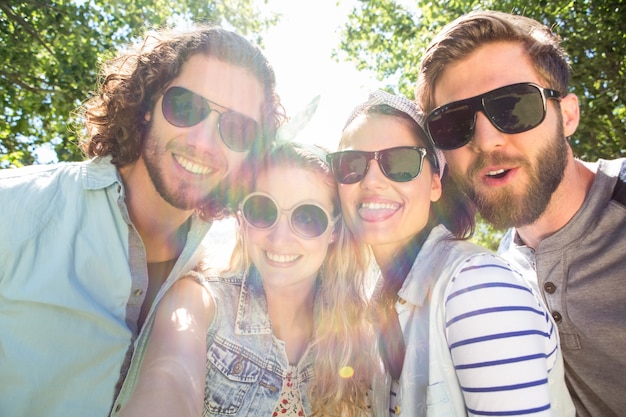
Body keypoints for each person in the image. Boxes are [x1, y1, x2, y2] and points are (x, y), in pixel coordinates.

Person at [0, 25, 285, 417]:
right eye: (186, 107)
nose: (204, 142)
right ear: (148, 104)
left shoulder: (225, 269)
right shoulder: (13, 208)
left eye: (237, 129)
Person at [415, 10, 626, 416]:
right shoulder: (500, 275)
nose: (486, 139)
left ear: (567, 115)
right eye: (455, 123)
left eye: (512, 105)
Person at [328, 90, 574, 416]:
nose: (371, 181)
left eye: (400, 162)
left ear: (434, 184)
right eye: (351, 164)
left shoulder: (477, 288)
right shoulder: (374, 301)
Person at [111, 141, 377, 417]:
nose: (279, 238)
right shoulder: (197, 302)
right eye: (262, 210)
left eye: (308, 217)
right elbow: (169, 380)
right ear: (242, 218)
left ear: (334, 229)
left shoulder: (357, 337)